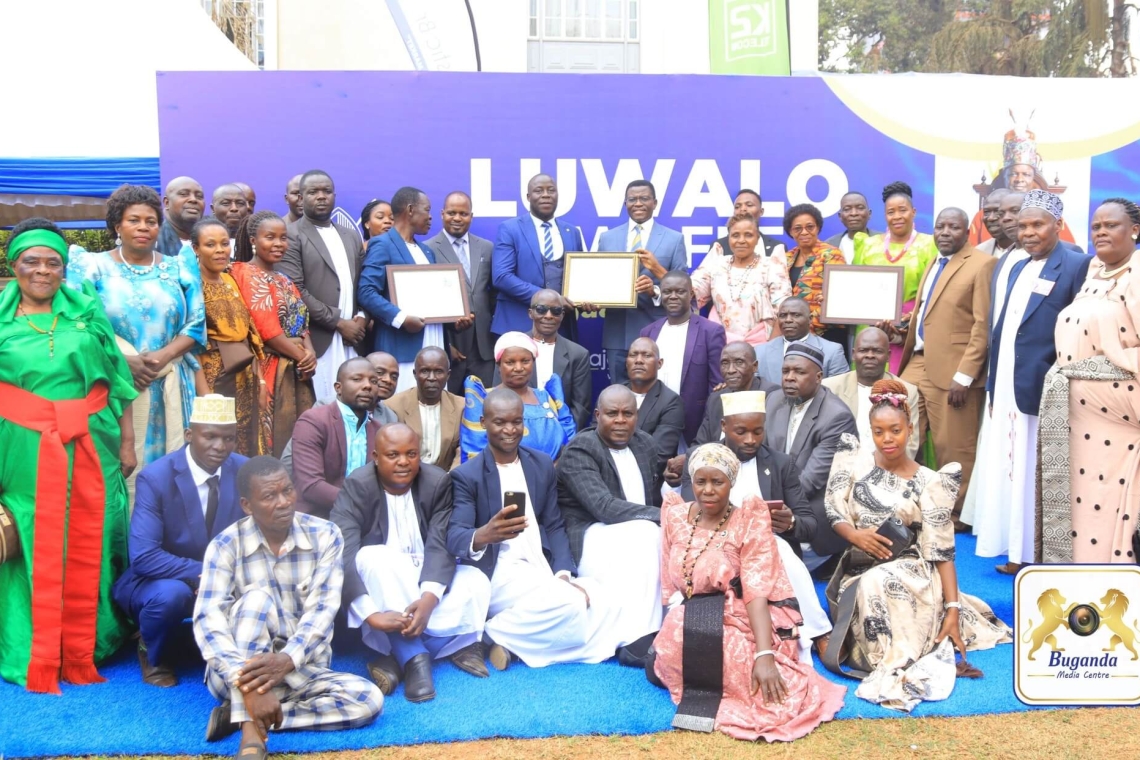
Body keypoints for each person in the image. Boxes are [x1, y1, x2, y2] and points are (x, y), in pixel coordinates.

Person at [0, 218, 137, 693]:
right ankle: (34, 648)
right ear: (13, 265)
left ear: (64, 269)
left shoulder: (87, 311)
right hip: (22, 444)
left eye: (52, 263)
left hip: (90, 440)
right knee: (32, 529)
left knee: (94, 526)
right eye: (30, 261)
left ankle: (92, 641)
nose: (42, 270)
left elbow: (116, 381)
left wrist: (126, 441)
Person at [823, 380, 1012, 712]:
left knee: (882, 581)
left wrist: (952, 609)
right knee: (871, 582)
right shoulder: (854, 462)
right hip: (858, 568)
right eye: (879, 431)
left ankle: (894, 661)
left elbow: (942, 552)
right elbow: (834, 509)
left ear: (910, 429)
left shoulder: (930, 481)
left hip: (913, 570)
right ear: (870, 431)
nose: (887, 439)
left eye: (895, 430)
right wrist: (855, 536)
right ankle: (884, 657)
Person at [652, 443, 846, 741]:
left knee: (768, 694)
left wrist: (764, 654)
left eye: (718, 482)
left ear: (732, 482)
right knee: (677, 632)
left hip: (741, 613)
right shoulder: (676, 516)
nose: (708, 490)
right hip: (689, 616)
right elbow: (671, 578)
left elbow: (756, 590)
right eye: (700, 482)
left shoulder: (749, 520)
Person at [194, 457, 382, 751]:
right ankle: (251, 734)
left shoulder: (325, 535)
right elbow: (208, 621)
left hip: (299, 666)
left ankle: (239, 714)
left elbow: (323, 611)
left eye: (287, 491)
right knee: (255, 601)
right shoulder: (224, 545)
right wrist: (245, 682)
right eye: (270, 496)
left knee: (369, 701)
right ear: (247, 505)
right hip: (236, 671)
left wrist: (287, 660)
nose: (283, 502)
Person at [448, 389, 620, 669]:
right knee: (573, 603)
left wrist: (563, 573)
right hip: (498, 570)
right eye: (500, 422)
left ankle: (506, 640)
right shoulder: (467, 476)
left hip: (539, 562)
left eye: (516, 421)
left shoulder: (540, 464)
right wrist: (485, 534)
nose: (509, 430)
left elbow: (554, 523)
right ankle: (496, 631)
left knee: (602, 596)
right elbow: (455, 537)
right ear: (483, 422)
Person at [331, 424, 492, 702]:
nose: (403, 462)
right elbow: (342, 551)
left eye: (411, 454)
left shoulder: (437, 481)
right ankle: (415, 659)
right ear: (375, 457)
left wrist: (429, 598)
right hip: (383, 582)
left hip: (425, 573)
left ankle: (397, 657)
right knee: (372, 557)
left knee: (476, 582)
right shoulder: (358, 485)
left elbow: (440, 543)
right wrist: (371, 615)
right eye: (393, 455)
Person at [976, 191, 1090, 574]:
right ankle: (1014, 547)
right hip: (1007, 384)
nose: (1028, 233)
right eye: (1023, 226)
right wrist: (993, 384)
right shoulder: (1015, 265)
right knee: (1009, 468)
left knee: (1033, 470)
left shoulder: (1076, 265)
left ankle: (1034, 553)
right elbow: (1001, 333)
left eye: (1037, 224)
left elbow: (1080, 334)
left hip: (1044, 389)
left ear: (1058, 225)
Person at [680, 392, 831, 663]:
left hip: (770, 551)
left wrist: (791, 522)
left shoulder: (781, 464)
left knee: (776, 546)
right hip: (716, 549)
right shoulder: (702, 458)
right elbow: (689, 511)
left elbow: (809, 525)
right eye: (741, 431)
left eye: (757, 432)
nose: (751, 440)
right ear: (724, 427)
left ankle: (817, 632)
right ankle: (816, 630)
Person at [112, 395, 247, 688]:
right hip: (161, 579)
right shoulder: (156, 477)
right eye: (209, 436)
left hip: (226, 576)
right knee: (170, 597)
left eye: (228, 438)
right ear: (189, 435)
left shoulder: (245, 471)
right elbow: (144, 557)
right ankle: (152, 651)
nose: (220, 447)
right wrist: (207, 572)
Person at [67, 184, 205, 466]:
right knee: (121, 468)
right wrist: (121, 362)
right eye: (134, 220)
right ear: (117, 225)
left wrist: (161, 357)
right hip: (114, 386)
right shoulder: (91, 266)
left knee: (174, 471)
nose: (144, 227)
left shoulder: (178, 266)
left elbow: (196, 323)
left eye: (151, 221)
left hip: (172, 382)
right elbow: (77, 325)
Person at [1040, 198, 1140, 564]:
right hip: (1082, 423)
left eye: (1110, 225)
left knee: (1114, 507)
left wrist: (1094, 373)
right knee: (1082, 510)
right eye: (1096, 226)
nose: (1100, 232)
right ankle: (1081, 594)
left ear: (1135, 230)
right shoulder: (1095, 271)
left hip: (1120, 420)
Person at [891, 208, 995, 527]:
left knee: (953, 443)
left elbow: (982, 324)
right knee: (904, 432)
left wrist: (965, 375)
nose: (945, 232)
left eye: (954, 227)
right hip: (918, 361)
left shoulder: (982, 264)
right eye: (940, 226)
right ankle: (912, 501)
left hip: (954, 371)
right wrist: (902, 328)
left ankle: (958, 511)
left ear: (967, 233)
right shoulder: (935, 261)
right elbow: (929, 313)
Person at [557, 386, 666, 649]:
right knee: (650, 531)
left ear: (636, 416)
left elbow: (655, 497)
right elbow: (603, 508)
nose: (620, 420)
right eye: (611, 413)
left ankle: (664, 629)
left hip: (640, 535)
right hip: (591, 535)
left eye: (627, 413)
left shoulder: (645, 444)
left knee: (662, 534)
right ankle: (638, 638)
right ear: (597, 415)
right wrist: (663, 516)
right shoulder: (580, 450)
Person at [359, 186, 473, 394]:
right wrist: (401, 318)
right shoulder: (382, 244)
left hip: (435, 343)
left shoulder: (426, 251)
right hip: (402, 349)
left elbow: (434, 301)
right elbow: (366, 292)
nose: (431, 217)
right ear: (410, 210)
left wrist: (455, 322)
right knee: (402, 412)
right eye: (427, 210)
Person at [231, 211, 317, 457]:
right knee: (270, 440)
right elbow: (268, 332)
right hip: (267, 370)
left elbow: (302, 322)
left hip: (296, 368)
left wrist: (310, 353)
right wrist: (302, 356)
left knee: (297, 442)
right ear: (252, 240)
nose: (279, 244)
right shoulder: (245, 273)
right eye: (270, 237)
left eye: (283, 238)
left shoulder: (284, 278)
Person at [278, 169, 367, 401]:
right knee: (324, 408)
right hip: (319, 340)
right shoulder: (290, 235)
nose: (321, 196)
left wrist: (362, 318)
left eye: (326, 191)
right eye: (312, 192)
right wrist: (338, 322)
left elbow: (363, 284)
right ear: (300, 197)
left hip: (354, 340)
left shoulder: (350, 235)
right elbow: (295, 291)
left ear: (334, 196)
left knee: (356, 406)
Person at [765, 344, 858, 565]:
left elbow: (809, 482)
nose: (789, 378)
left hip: (811, 509)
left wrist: (766, 508)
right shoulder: (774, 400)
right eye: (785, 371)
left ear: (818, 377)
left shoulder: (836, 417)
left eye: (799, 372)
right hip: (776, 497)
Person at [597, 180, 688, 384]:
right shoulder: (607, 238)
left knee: (657, 394)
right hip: (617, 332)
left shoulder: (674, 239)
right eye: (632, 199)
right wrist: (592, 299)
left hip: (655, 330)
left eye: (644, 198)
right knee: (619, 396)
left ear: (655, 203)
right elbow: (600, 281)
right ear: (625, 203)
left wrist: (655, 290)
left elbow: (683, 290)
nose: (638, 203)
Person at [191, 218, 265, 457]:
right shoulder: (192, 285)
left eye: (224, 243)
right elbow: (192, 343)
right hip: (213, 377)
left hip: (244, 374)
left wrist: (261, 381)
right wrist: (205, 395)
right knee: (217, 442)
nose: (220, 250)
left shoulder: (230, 279)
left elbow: (250, 333)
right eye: (210, 244)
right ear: (196, 249)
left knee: (244, 441)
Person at [853, 181, 938, 373]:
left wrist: (910, 317)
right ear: (885, 215)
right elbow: (855, 287)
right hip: (870, 329)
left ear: (913, 212)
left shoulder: (929, 245)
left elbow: (936, 290)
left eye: (903, 210)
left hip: (909, 330)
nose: (897, 216)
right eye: (891, 212)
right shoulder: (868, 245)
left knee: (902, 391)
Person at [491, 173, 589, 339]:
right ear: (528, 197)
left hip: (561, 328)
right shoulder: (510, 229)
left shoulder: (572, 232)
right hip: (518, 325)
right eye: (539, 190)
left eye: (551, 190)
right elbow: (501, 276)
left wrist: (586, 299)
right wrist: (548, 300)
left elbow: (578, 279)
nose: (546, 195)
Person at [641, 270, 726, 445]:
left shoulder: (711, 331)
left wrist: (708, 425)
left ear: (691, 294)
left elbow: (717, 385)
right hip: (654, 425)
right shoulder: (648, 332)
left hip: (694, 424)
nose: (673, 296)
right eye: (667, 292)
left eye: (680, 291)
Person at [291, 357, 384, 518]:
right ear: (338, 388)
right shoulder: (314, 421)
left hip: (366, 521)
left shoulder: (379, 431)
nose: (368, 385)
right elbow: (311, 485)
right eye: (357, 379)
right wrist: (360, 503)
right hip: (318, 519)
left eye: (374, 381)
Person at [278, 352, 398, 476]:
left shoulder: (390, 417)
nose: (388, 380)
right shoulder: (326, 407)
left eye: (394, 377)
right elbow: (291, 459)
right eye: (379, 373)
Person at [424, 191, 497, 393]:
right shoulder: (427, 249)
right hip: (451, 346)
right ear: (442, 214)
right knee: (450, 406)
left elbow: (492, 294)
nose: (457, 218)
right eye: (451, 213)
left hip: (484, 346)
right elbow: (426, 300)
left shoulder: (486, 248)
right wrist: (446, 343)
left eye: (463, 214)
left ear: (471, 216)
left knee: (486, 404)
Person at [462, 332, 576, 461]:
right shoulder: (483, 399)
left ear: (533, 362)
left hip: (556, 476)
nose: (518, 368)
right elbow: (474, 449)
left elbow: (570, 441)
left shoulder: (548, 397)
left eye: (525, 361)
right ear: (499, 365)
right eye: (510, 362)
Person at [491, 288, 592, 431]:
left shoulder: (578, 354)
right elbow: (498, 396)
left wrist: (563, 436)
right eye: (541, 309)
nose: (548, 316)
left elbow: (580, 407)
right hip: (516, 432)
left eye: (556, 311)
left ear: (562, 315)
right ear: (530, 313)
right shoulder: (510, 348)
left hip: (562, 436)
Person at [692, 212, 791, 346]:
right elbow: (691, 291)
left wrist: (772, 349)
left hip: (761, 345)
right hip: (719, 344)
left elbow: (783, 309)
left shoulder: (771, 265)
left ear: (757, 238)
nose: (741, 240)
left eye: (748, 235)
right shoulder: (716, 264)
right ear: (729, 238)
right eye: (735, 235)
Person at [825, 328, 921, 459]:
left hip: (888, 468)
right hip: (839, 465)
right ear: (853, 354)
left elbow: (910, 443)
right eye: (863, 350)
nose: (870, 355)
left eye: (877, 351)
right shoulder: (830, 387)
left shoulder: (906, 391)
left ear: (888, 356)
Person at [386, 347, 464, 470]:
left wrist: (449, 480)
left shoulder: (461, 407)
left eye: (438, 371)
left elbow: (463, 453)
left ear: (448, 375)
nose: (432, 377)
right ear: (415, 374)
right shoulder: (393, 406)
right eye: (425, 371)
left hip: (447, 479)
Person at [690, 342, 780, 448]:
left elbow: (771, 447)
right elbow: (700, 443)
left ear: (754, 366)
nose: (730, 370)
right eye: (725, 363)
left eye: (739, 362)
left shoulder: (771, 396)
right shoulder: (716, 398)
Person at [783, 203, 848, 347]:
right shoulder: (786, 258)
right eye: (798, 228)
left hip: (826, 335)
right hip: (792, 335)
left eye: (810, 227)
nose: (804, 232)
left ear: (818, 228)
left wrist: (804, 326)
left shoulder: (832, 254)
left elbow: (838, 298)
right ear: (790, 232)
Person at [755, 297, 849, 381]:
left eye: (796, 315)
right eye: (783, 315)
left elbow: (839, 392)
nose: (788, 320)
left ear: (810, 319)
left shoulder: (832, 351)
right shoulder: (760, 352)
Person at [624, 337, 685, 460]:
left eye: (646, 355)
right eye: (633, 355)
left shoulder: (671, 402)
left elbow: (659, 454)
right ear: (626, 362)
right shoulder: (612, 395)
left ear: (659, 363)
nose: (639, 360)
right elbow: (595, 437)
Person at [707, 190, 787, 263]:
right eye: (737, 207)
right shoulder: (718, 246)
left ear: (761, 212)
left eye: (749, 205)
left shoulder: (776, 247)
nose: (743, 209)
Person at [825, 191, 881, 261]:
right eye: (847, 209)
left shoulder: (884, 241)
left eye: (860, 208)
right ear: (840, 216)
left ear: (869, 214)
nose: (854, 213)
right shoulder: (829, 245)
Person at [158, 176, 204, 257]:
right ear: (167, 202)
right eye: (184, 194)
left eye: (199, 196)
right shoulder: (154, 240)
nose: (193, 199)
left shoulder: (210, 239)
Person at [976, 189, 1010, 255]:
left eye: (997, 211)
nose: (991, 218)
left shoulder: (1030, 251)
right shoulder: (979, 252)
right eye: (986, 212)